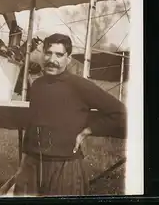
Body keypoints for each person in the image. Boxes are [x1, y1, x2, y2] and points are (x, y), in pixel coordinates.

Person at [14, 33, 127, 196]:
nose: (52, 60)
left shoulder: (80, 85)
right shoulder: (37, 85)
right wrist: (23, 165)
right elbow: (33, 125)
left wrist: (88, 131)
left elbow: (120, 112)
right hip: (32, 165)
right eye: (48, 53)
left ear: (68, 58)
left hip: (65, 167)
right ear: (42, 54)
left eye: (59, 55)